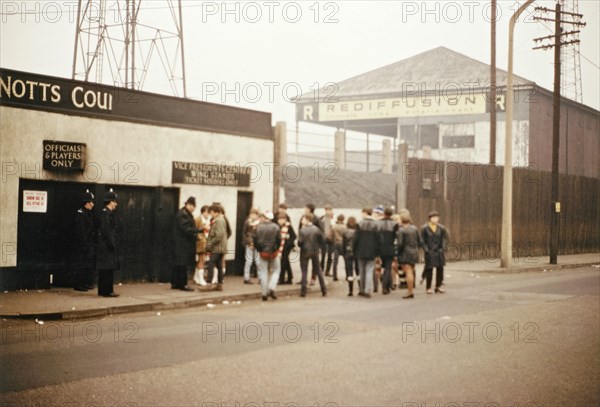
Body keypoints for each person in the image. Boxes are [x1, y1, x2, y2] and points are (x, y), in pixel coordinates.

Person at [171, 197, 200, 292]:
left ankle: (175, 283)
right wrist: (199, 230)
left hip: (180, 243)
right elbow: (186, 229)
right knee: (183, 264)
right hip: (182, 244)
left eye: (194, 206)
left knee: (178, 264)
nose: (193, 208)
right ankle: (183, 284)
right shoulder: (183, 214)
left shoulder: (184, 213)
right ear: (187, 204)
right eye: (191, 205)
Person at [96, 189, 120, 297]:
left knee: (106, 268)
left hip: (105, 245)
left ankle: (104, 291)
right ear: (110, 202)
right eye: (115, 201)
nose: (116, 204)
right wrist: (112, 244)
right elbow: (106, 231)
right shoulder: (105, 214)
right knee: (107, 268)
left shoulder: (106, 213)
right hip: (106, 246)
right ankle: (107, 291)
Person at [253, 210, 281, 301]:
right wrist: (275, 249)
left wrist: (259, 249)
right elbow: (279, 240)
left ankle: (264, 293)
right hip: (273, 252)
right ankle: (271, 287)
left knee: (263, 272)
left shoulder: (258, 227)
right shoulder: (276, 227)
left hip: (262, 252)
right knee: (276, 270)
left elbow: (255, 240)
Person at [298, 214, 327, 297]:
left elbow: (300, 242)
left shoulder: (302, 230)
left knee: (304, 271)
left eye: (303, 219)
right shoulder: (316, 229)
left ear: (307, 219)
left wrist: (300, 245)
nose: (301, 221)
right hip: (315, 251)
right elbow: (323, 239)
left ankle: (303, 291)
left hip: (304, 251)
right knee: (318, 270)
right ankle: (323, 289)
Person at [421, 210, 450, 294]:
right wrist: (426, 249)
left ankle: (438, 286)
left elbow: (445, 238)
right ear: (430, 218)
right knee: (429, 269)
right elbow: (422, 240)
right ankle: (428, 287)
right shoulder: (425, 228)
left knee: (440, 269)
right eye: (433, 217)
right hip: (430, 251)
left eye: (437, 217)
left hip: (439, 251)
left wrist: (443, 248)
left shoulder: (441, 228)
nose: (435, 219)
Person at [353, 208, 379, 298]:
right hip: (372, 250)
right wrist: (377, 251)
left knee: (361, 270)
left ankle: (361, 289)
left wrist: (354, 250)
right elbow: (378, 239)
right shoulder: (376, 224)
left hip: (360, 250)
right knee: (369, 269)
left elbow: (355, 238)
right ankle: (367, 290)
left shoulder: (359, 224)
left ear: (364, 213)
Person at [73, 189, 96, 292]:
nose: (93, 204)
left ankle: (84, 283)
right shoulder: (81, 214)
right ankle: (79, 284)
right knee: (80, 264)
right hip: (82, 244)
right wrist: (85, 244)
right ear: (87, 203)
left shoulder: (88, 213)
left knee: (86, 264)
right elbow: (80, 232)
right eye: (91, 202)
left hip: (88, 244)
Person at [203, 204, 228, 291]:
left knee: (211, 264)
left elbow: (219, 235)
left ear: (216, 212)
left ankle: (208, 284)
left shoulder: (219, 221)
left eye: (211, 213)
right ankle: (219, 284)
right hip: (220, 247)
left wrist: (210, 244)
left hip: (217, 247)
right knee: (219, 265)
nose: (211, 215)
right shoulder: (221, 219)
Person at [397, 213, 421, 299]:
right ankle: (410, 290)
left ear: (402, 220)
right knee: (411, 271)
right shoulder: (414, 228)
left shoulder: (401, 230)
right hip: (414, 252)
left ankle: (410, 291)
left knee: (408, 272)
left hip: (405, 253)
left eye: (399, 219)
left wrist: (397, 253)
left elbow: (400, 244)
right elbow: (419, 241)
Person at [378, 207, 398, 295]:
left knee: (382, 267)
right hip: (390, 247)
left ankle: (388, 284)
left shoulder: (378, 223)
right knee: (388, 267)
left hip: (380, 247)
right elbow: (397, 237)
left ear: (384, 213)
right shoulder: (395, 224)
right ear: (392, 214)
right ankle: (385, 287)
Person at [242, 208, 260, 284]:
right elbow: (244, 233)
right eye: (251, 214)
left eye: (254, 214)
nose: (252, 216)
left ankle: (261, 278)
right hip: (249, 244)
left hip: (257, 245)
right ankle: (246, 278)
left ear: (257, 215)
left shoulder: (260, 223)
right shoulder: (247, 222)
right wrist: (249, 242)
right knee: (248, 261)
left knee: (258, 261)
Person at [277, 212, 296, 284]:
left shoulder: (288, 226)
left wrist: (288, 242)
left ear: (285, 220)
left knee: (283, 262)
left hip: (286, 247)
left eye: (282, 219)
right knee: (286, 262)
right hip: (281, 246)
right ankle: (290, 277)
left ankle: (281, 279)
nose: (280, 221)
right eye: (279, 219)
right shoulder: (278, 226)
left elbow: (294, 236)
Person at [193, 205, 210, 286]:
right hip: (200, 243)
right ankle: (201, 279)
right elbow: (194, 230)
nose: (207, 213)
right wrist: (198, 236)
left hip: (206, 242)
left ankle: (196, 277)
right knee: (202, 260)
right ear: (202, 212)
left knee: (202, 260)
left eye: (208, 212)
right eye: (205, 211)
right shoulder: (198, 219)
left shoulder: (208, 220)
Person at [342, 216, 357, 296]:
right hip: (356, 253)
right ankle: (360, 288)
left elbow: (343, 244)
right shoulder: (357, 232)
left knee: (349, 272)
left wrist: (344, 253)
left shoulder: (345, 232)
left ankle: (350, 290)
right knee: (358, 271)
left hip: (348, 252)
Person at [331, 214, 346, 282]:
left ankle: (335, 276)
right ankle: (348, 275)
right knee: (346, 261)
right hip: (343, 244)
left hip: (336, 244)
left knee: (335, 261)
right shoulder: (345, 227)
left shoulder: (333, 226)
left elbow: (330, 236)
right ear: (343, 219)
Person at [320, 205, 334, 276]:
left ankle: (327, 271)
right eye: (326, 210)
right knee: (323, 255)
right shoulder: (322, 218)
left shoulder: (333, 218)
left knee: (330, 255)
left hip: (331, 239)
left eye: (329, 210)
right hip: (324, 238)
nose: (328, 211)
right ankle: (321, 269)